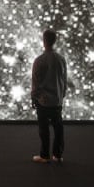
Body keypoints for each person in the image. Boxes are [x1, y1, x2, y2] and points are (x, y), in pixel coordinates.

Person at [31, 28, 69, 164]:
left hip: (44, 101)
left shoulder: (39, 60)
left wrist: (34, 98)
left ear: (43, 41)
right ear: (55, 41)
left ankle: (45, 156)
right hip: (57, 101)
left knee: (44, 129)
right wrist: (61, 95)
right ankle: (58, 155)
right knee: (58, 128)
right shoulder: (61, 59)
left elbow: (35, 82)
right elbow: (64, 81)